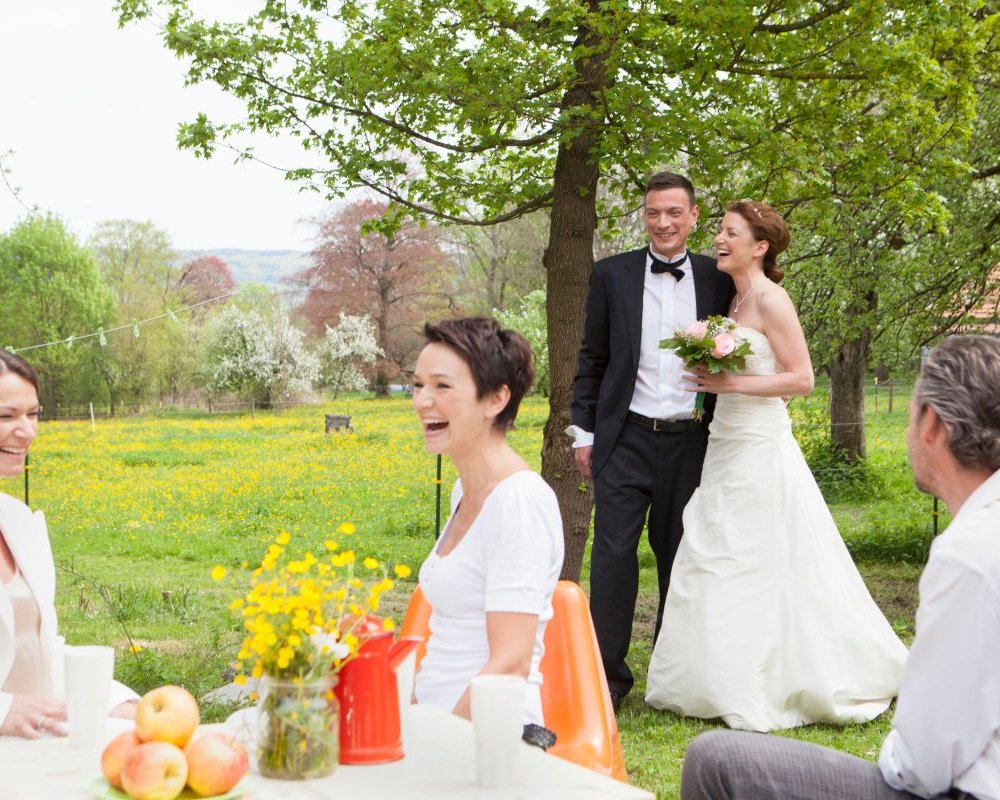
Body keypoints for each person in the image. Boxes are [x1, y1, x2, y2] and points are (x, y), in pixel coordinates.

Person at [680, 334, 1000, 800]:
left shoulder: (969, 556)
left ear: (931, 425)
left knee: (714, 760)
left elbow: (921, 766)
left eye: (910, 415)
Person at [645, 199, 906, 730]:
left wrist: (730, 383)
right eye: (719, 230)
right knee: (715, 551)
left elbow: (802, 379)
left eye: (730, 232)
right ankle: (711, 679)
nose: (719, 239)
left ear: (759, 246)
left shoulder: (771, 299)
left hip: (760, 446)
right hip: (724, 441)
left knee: (759, 556)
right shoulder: (734, 303)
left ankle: (774, 677)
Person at [568, 171, 734, 709]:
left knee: (679, 560)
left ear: (693, 217)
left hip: (692, 442)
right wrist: (584, 433)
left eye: (673, 213)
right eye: (653, 213)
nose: (662, 223)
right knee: (613, 559)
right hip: (625, 439)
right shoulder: (610, 275)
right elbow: (591, 360)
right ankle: (607, 682)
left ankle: (669, 676)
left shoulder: (719, 279)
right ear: (645, 217)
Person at [412, 317, 564, 725]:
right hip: (433, 723)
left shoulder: (519, 502)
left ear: (495, 399)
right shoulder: (465, 491)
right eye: (417, 385)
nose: (423, 400)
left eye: (442, 386)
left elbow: (509, 664)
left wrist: (436, 741)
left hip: (489, 736)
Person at [0, 350, 137, 738]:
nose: (26, 430)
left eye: (33, 413)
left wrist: (116, 703)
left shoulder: (19, 522)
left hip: (31, 753)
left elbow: (38, 652)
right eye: (6, 416)